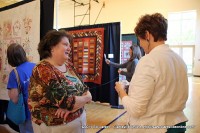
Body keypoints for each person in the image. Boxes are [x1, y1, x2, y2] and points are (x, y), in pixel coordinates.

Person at [115, 13, 188, 133]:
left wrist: (121, 91)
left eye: (140, 40)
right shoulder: (179, 60)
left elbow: (136, 109)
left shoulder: (148, 60)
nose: (141, 45)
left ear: (147, 35)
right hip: (178, 125)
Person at [28, 30, 92, 133]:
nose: (69, 48)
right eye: (65, 44)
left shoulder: (68, 66)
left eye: (69, 45)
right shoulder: (43, 69)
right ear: (52, 47)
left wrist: (78, 104)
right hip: (54, 127)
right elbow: (66, 101)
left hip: (78, 121)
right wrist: (84, 99)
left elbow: (84, 89)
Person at [7, 43, 35, 133]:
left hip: (26, 114)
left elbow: (15, 99)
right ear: (23, 54)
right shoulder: (36, 66)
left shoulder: (14, 73)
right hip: (39, 112)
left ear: (10, 58)